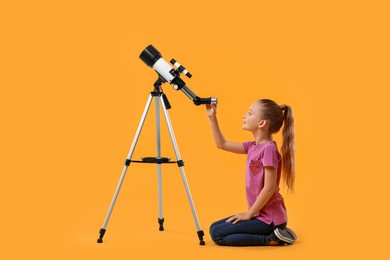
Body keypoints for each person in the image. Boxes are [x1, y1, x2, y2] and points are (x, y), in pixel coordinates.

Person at [206, 99, 297, 246]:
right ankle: (273, 233)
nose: (244, 116)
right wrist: (212, 117)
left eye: (250, 113)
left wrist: (249, 214)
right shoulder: (253, 146)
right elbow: (222, 144)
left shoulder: (269, 150)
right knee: (213, 228)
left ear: (262, 123)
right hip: (259, 215)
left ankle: (272, 237)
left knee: (218, 235)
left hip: (270, 220)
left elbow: (269, 188)